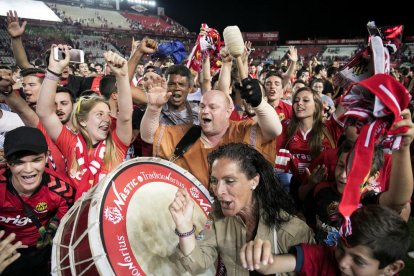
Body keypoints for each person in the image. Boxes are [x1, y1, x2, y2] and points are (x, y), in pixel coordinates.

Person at [169, 143, 315, 276]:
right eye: (214, 181)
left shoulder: (293, 230)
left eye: (229, 181)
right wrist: (184, 226)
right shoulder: (217, 218)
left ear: (254, 181)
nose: (218, 191)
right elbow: (197, 265)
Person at [141, 76, 282, 189]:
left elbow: (274, 129)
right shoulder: (186, 133)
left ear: (228, 112)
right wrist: (153, 108)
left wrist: (259, 104)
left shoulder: (242, 130)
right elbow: (149, 136)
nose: (205, 111)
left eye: (212, 107)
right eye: (202, 106)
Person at [36, 45, 133, 200]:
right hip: (76, 216)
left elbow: (126, 116)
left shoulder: (116, 144)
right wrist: (54, 71)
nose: (107, 119)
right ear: (82, 121)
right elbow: (44, 112)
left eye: (108, 114)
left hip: (109, 217)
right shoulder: (70, 143)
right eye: (99, 114)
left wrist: (122, 77)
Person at [239, 204, 409, 276]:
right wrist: (257, 256)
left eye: (358, 260)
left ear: (392, 268)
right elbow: (270, 265)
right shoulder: (324, 257)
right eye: (341, 247)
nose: (343, 262)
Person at [0, 126, 74, 275]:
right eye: (19, 162)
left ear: (46, 157)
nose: (28, 169)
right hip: (5, 253)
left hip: (40, 253)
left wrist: (50, 231)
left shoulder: (63, 189)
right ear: (8, 163)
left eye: (36, 160)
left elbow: (64, 219)